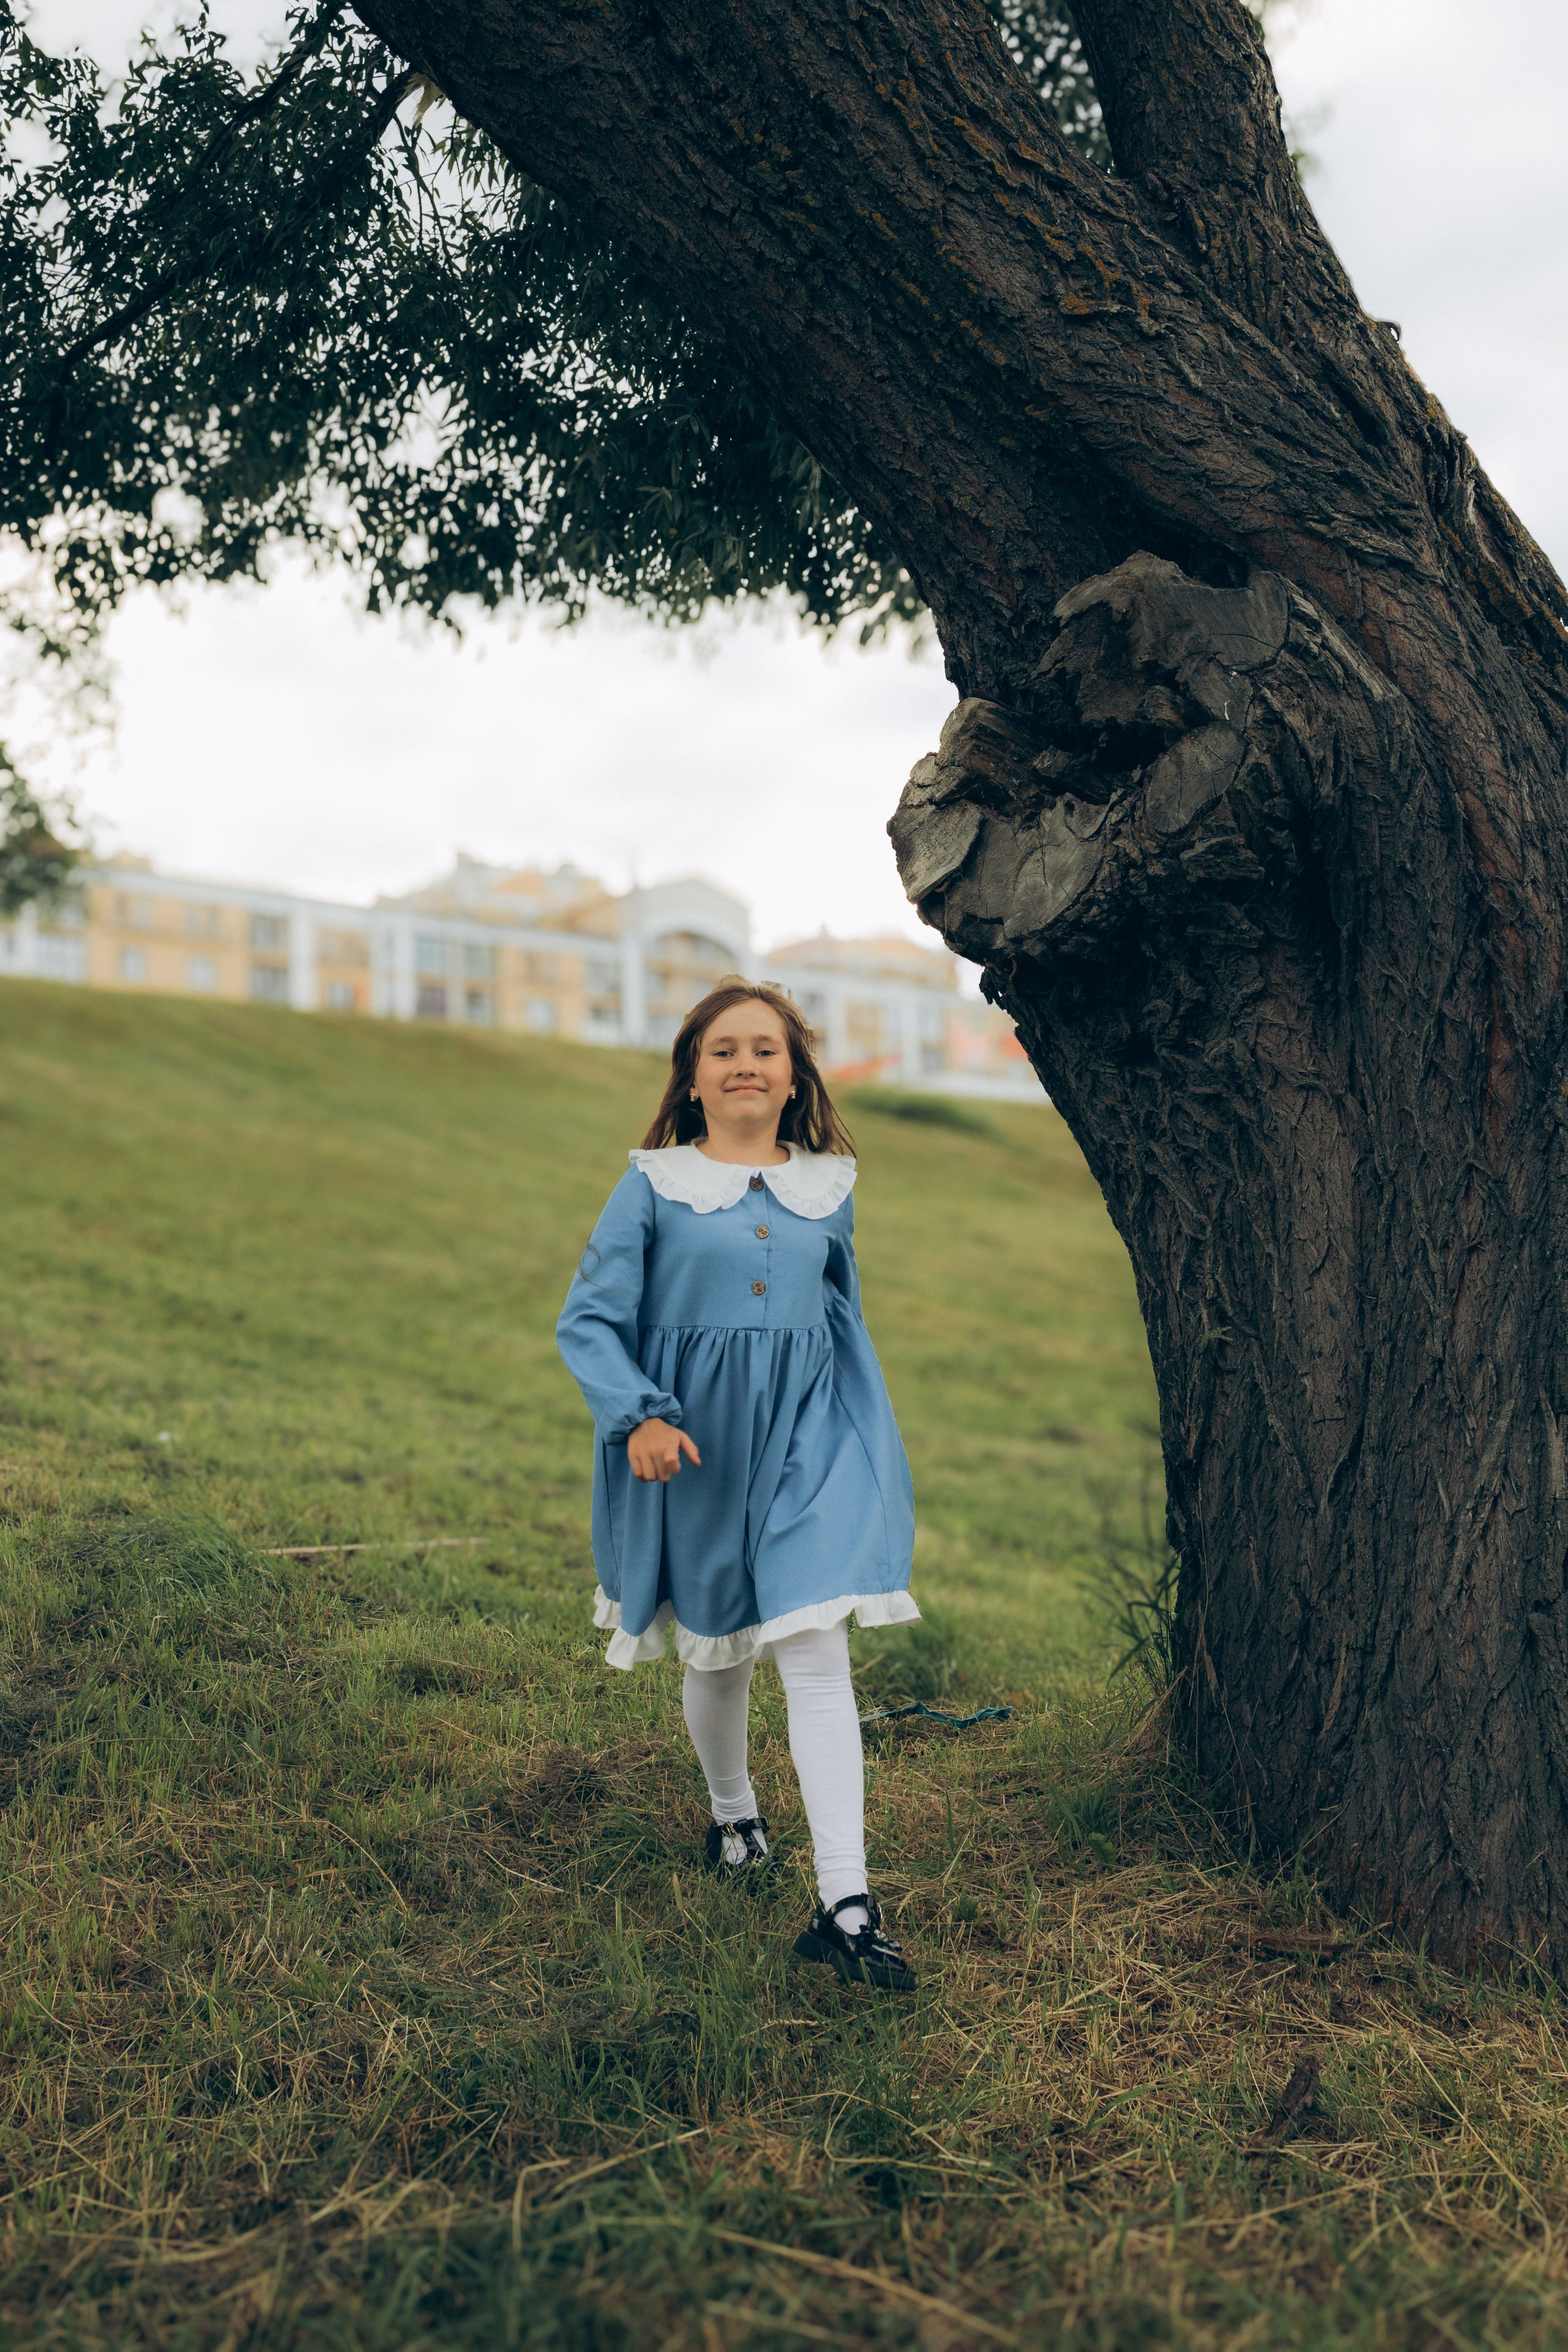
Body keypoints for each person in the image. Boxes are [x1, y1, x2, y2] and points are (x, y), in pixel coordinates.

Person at [556, 979, 919, 1992]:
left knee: (814, 1650)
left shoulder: (830, 1188)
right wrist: (642, 1415)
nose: (746, 1063)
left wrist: (858, 1436)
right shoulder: (651, 1185)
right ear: (695, 1076)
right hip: (694, 1441)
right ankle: (733, 1815)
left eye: (767, 1048)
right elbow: (587, 1321)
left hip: (810, 1440)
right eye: (724, 1049)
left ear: (796, 1074)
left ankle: (846, 1904)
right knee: (717, 1653)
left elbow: (842, 1318)